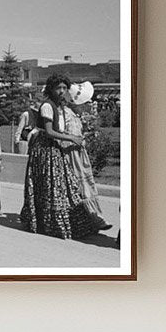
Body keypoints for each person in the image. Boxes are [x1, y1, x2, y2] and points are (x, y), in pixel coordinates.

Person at [19, 74, 102, 240]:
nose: (61, 91)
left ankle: (71, 221)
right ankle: (48, 223)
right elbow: (49, 132)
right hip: (44, 149)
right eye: (58, 88)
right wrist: (71, 138)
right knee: (51, 186)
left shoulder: (58, 106)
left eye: (64, 88)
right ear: (51, 89)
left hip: (54, 148)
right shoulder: (47, 107)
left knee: (62, 185)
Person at [63, 82, 111, 231]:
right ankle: (91, 219)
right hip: (71, 154)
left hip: (79, 153)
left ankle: (94, 217)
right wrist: (76, 139)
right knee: (80, 185)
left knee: (86, 184)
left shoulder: (75, 115)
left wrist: (86, 135)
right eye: (84, 103)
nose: (86, 106)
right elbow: (66, 135)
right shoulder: (66, 114)